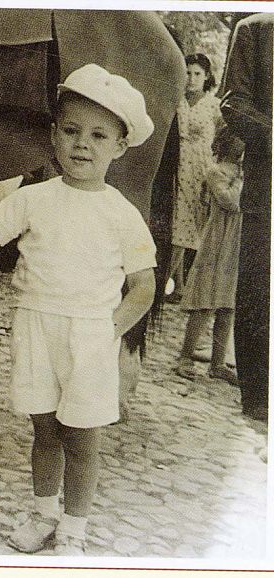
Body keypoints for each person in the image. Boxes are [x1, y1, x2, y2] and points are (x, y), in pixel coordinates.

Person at [0, 64, 157, 555]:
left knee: (83, 435)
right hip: (36, 323)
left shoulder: (122, 213)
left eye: (97, 135)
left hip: (90, 333)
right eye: (71, 131)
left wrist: (107, 331)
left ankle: (75, 526)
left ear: (119, 145)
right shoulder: (32, 198)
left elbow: (143, 287)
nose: (82, 145)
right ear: (53, 136)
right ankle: (44, 514)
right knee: (44, 427)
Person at [221, 13, 272, 422]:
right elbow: (233, 102)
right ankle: (258, 396)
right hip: (267, 188)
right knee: (259, 287)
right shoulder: (256, 31)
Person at [174, 128, 244, 389]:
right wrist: (240, 181)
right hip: (218, 241)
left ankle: (217, 364)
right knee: (206, 301)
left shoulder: (242, 173)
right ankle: (184, 356)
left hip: (236, 243)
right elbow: (230, 202)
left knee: (228, 305)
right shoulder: (217, 172)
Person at [168, 54, 223, 302]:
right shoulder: (177, 100)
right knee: (177, 221)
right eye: (188, 73)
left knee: (191, 222)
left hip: (200, 168)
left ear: (207, 76)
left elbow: (223, 137)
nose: (191, 79)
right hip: (177, 163)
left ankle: (174, 282)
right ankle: (176, 283)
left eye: (197, 74)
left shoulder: (214, 105)